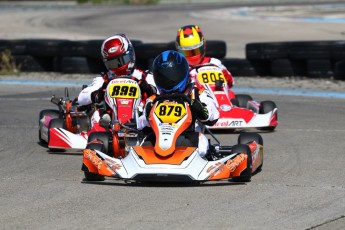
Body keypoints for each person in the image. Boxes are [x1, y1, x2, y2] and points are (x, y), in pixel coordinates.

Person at [137, 50, 219, 158]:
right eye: (163, 77)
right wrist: (147, 115)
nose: (168, 80)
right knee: (145, 144)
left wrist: (200, 110)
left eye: (172, 75)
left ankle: (190, 159)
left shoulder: (197, 94)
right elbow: (139, 125)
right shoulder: (153, 99)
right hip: (160, 139)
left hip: (190, 137)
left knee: (198, 143)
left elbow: (214, 117)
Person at [78, 33, 156, 128]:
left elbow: (164, 93)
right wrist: (98, 94)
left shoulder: (144, 76)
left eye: (122, 60)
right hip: (110, 121)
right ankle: (99, 135)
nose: (119, 66)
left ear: (131, 54)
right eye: (114, 63)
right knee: (97, 114)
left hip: (140, 119)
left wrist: (150, 89)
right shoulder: (104, 78)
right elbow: (81, 98)